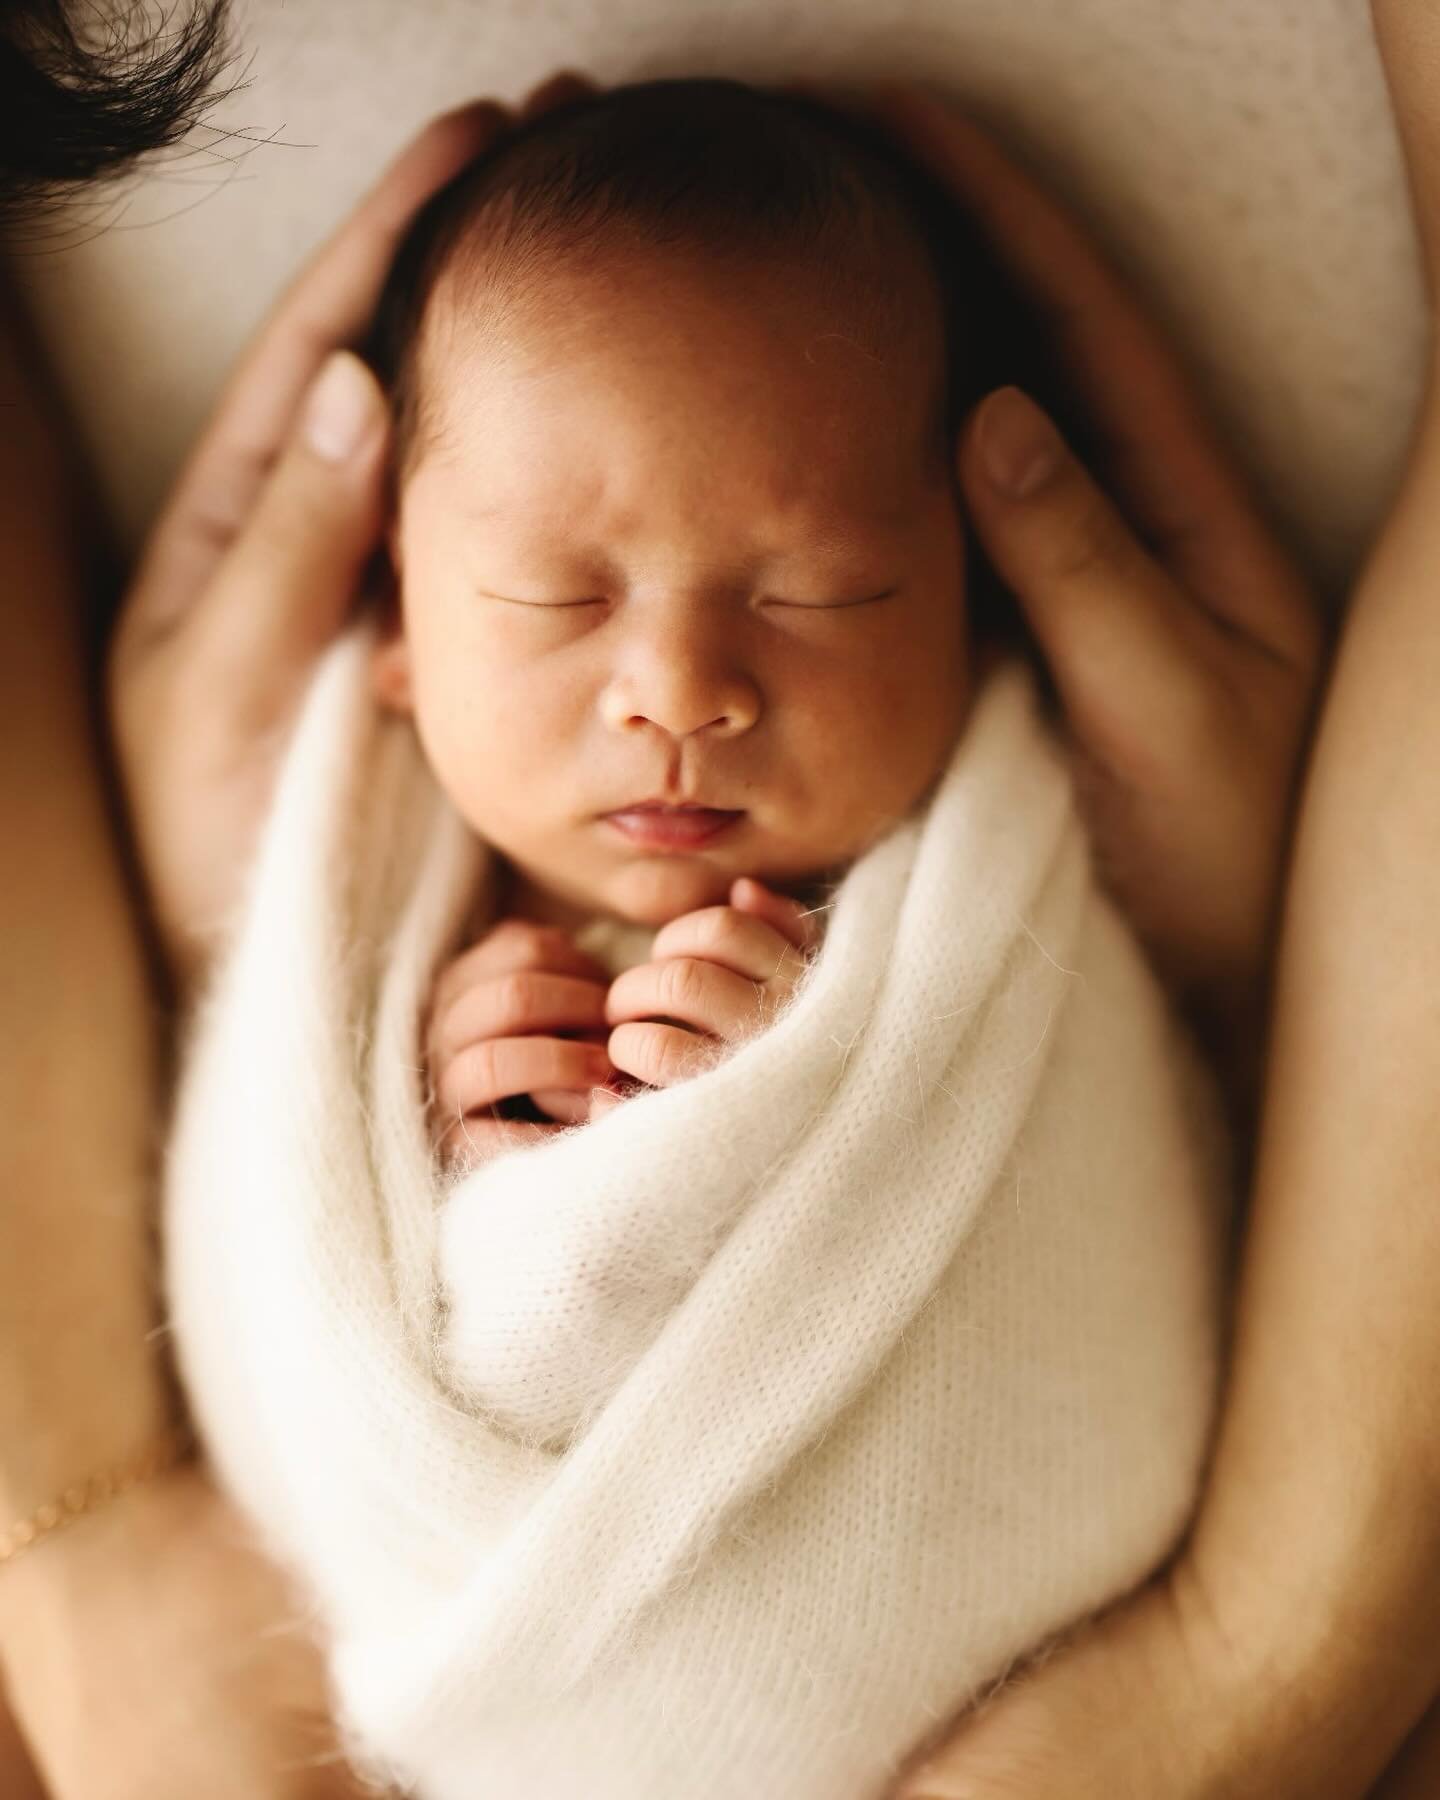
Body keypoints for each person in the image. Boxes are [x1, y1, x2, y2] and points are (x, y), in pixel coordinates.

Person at [0, 4, 1431, 1795]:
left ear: (983, 595)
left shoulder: (1009, 868)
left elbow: (1079, 1159)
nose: (680, 687)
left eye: (823, 593)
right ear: (387, 635)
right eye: (553, 597)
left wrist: (1186, 965)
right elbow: (313, 1222)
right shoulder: (362, 883)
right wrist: (452, 1103)